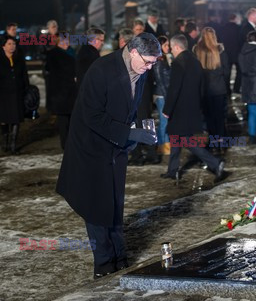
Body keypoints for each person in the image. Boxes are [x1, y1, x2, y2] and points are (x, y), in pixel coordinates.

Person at [56, 33, 159, 279]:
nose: (150, 67)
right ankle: (103, 265)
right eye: (147, 61)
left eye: (154, 63)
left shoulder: (140, 71)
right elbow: (92, 116)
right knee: (97, 207)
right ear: (133, 51)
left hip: (115, 148)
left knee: (114, 204)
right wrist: (128, 133)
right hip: (90, 149)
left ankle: (119, 258)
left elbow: (130, 109)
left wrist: (133, 135)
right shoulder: (102, 70)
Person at [161, 34, 225, 181]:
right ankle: (172, 170)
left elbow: (174, 89)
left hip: (179, 108)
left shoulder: (178, 63)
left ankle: (215, 163)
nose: (171, 51)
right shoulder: (195, 61)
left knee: (185, 140)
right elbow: (202, 86)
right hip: (192, 107)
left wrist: (167, 109)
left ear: (177, 47)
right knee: (176, 137)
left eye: (171, 48)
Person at [0, 36, 29, 154]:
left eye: (14, 44)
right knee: (4, 119)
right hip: (2, 94)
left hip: (17, 93)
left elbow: (24, 75)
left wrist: (26, 89)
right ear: (4, 46)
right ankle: (5, 143)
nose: (12, 46)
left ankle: (13, 145)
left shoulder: (19, 58)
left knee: (16, 119)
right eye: (10, 44)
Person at [193, 27, 230, 145]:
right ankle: (220, 139)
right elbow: (226, 71)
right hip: (219, 88)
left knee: (208, 116)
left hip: (204, 89)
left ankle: (213, 138)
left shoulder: (197, 50)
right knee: (219, 115)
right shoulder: (220, 50)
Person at [46, 32, 77, 149]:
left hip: (70, 91)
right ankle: (65, 144)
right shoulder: (54, 54)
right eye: (63, 41)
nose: (66, 43)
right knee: (63, 121)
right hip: (60, 92)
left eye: (67, 40)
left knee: (71, 119)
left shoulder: (71, 52)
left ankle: (70, 142)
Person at [153, 35, 172, 155]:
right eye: (165, 45)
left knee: (164, 121)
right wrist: (167, 96)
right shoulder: (159, 61)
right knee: (164, 121)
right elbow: (160, 80)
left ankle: (162, 145)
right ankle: (164, 146)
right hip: (162, 95)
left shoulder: (163, 59)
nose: (168, 47)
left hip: (163, 93)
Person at [219, 13, 241, 94]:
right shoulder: (238, 28)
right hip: (237, 53)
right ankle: (236, 88)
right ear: (235, 18)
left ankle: (227, 89)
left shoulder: (223, 28)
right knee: (239, 72)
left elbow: (221, 40)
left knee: (227, 72)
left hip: (227, 53)